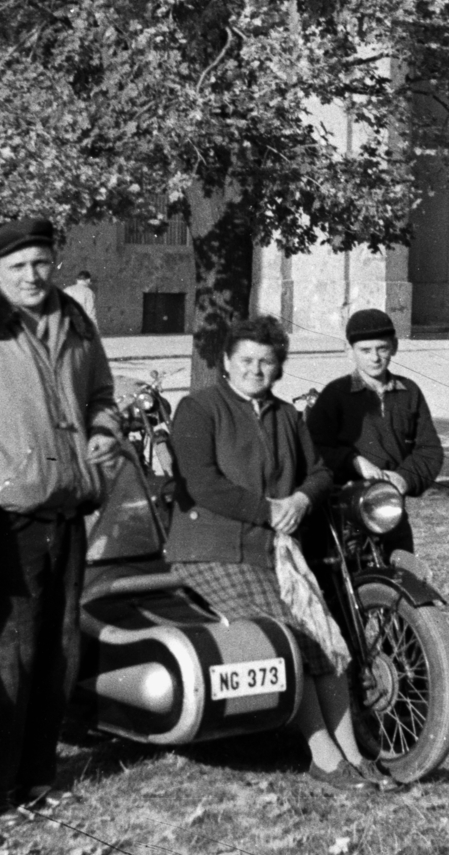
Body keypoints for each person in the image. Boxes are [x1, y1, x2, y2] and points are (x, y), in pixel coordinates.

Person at [0, 218, 123, 822]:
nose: (33, 277)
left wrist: (106, 432)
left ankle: (37, 777)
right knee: (10, 657)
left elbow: (101, 392)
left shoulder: (76, 318)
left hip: (68, 508)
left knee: (59, 652)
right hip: (7, 519)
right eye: (18, 268)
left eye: (41, 263)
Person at [168, 316, 397, 792]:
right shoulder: (199, 408)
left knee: (326, 635)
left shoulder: (287, 417)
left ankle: (353, 752)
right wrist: (268, 511)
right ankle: (324, 756)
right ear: (226, 362)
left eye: (267, 362)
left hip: (274, 552)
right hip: (212, 550)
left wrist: (299, 501)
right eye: (246, 360)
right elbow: (201, 483)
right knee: (294, 638)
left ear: (280, 368)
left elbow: (318, 473)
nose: (256, 370)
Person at [305, 308, 443, 557]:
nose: (375, 358)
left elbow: (429, 449)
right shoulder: (336, 394)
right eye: (365, 350)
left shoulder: (409, 392)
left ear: (395, 346)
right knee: (343, 579)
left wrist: (404, 478)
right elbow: (314, 448)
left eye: (382, 348)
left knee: (403, 576)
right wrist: (354, 461)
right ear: (349, 351)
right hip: (344, 509)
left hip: (390, 507)